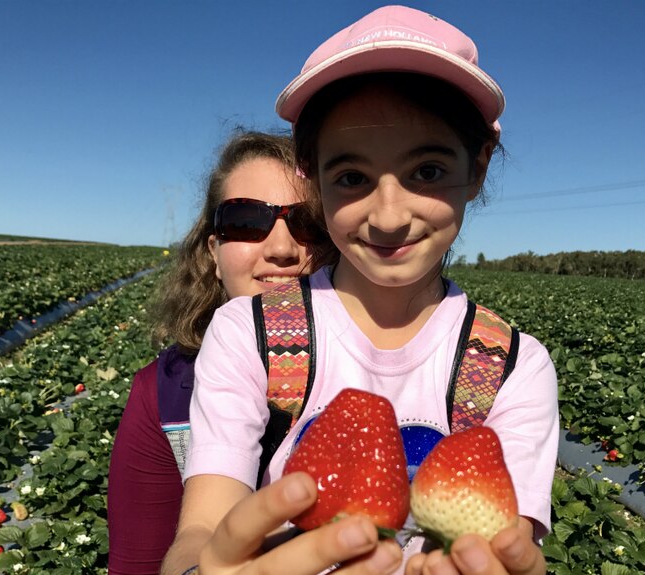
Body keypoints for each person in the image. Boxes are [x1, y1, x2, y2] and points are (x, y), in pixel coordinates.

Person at [162, 6, 558, 575]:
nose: (390, 217)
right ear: (310, 173)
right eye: (352, 178)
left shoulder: (512, 367)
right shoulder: (250, 334)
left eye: (426, 170)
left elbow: (504, 545)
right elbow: (201, 530)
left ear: (478, 167)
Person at [107, 130, 333, 575]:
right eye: (247, 221)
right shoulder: (164, 394)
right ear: (214, 250)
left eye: (309, 222)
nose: (282, 249)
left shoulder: (399, 367)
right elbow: (141, 563)